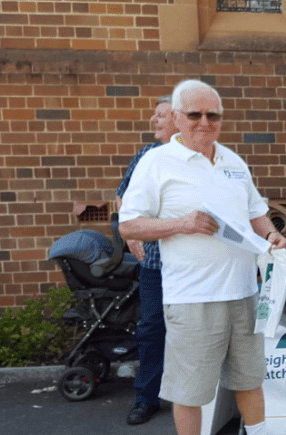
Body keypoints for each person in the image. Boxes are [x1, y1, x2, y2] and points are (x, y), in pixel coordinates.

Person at [119, 79, 286, 435]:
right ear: (177, 117)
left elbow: (256, 213)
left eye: (213, 115)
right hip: (193, 298)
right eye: (194, 114)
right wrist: (182, 223)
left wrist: (271, 234)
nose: (204, 122)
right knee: (190, 392)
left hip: (244, 293)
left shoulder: (233, 160)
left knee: (249, 381)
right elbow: (129, 226)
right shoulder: (156, 162)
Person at [116, 94, 175, 425]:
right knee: (152, 329)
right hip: (154, 264)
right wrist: (132, 231)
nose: (154, 120)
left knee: (198, 330)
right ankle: (146, 397)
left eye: (161, 115)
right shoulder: (146, 155)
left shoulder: (200, 156)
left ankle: (206, 400)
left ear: (178, 119)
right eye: (154, 114)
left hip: (195, 266)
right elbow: (123, 195)